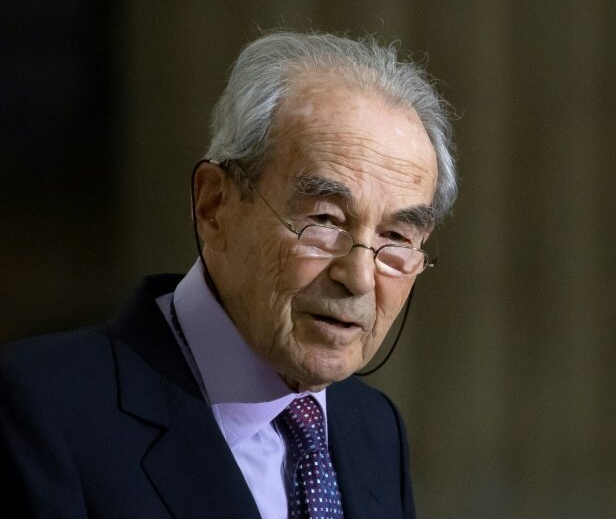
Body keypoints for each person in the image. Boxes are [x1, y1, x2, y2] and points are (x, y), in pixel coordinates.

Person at [0, 31, 457, 518]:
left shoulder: (373, 428)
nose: (360, 278)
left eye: (397, 237)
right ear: (214, 205)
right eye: (324, 220)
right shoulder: (40, 408)